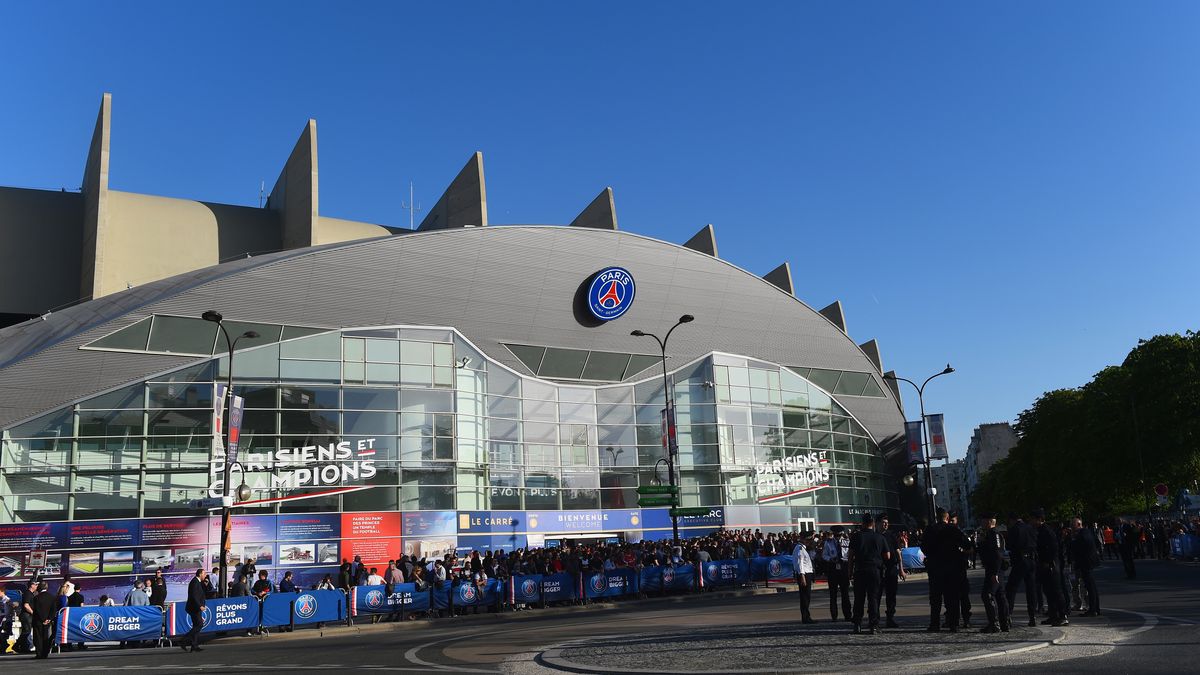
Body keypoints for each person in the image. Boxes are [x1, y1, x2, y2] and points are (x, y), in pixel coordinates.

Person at [922, 507, 967, 632]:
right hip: (952, 568)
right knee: (952, 597)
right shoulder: (953, 529)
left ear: (937, 518)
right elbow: (965, 544)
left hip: (935, 568)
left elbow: (924, 547)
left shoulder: (930, 530)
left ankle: (934, 624)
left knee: (935, 599)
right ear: (947, 518)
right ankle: (954, 624)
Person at [848, 513, 889, 634]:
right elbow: (887, 555)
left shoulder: (856, 536)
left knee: (859, 598)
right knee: (873, 598)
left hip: (860, 570)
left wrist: (849, 571)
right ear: (873, 523)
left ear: (863, 523)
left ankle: (857, 623)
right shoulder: (879, 537)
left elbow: (850, 556)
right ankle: (874, 625)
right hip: (875, 570)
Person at [1032, 509, 1068, 627]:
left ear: (1039, 519)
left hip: (1051, 565)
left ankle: (1063, 616)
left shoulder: (1047, 531)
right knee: (1048, 591)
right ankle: (1053, 615)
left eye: (1034, 519)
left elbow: (1053, 548)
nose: (1032, 521)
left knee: (1056, 591)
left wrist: (1048, 561)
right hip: (1044, 564)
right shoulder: (1040, 530)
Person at [977, 512, 1011, 633]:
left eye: (983, 520)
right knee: (1000, 595)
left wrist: (994, 572)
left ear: (989, 522)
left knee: (987, 594)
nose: (981, 523)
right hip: (995, 569)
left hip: (994, 569)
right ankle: (1004, 622)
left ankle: (994, 623)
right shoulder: (992, 534)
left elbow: (997, 554)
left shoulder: (993, 534)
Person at [1005, 512, 1039, 627]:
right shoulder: (1030, 528)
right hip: (1031, 560)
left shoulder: (1014, 529)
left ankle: (1008, 614)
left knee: (1011, 588)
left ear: (1012, 520)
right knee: (1031, 589)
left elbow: (1010, 546)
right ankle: (1032, 616)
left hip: (1020, 560)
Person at [878, 514, 905, 628]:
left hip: (891, 568)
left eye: (887, 522)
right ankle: (875, 619)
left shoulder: (891, 536)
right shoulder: (875, 536)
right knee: (876, 595)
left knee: (891, 595)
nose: (885, 525)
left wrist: (901, 569)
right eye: (883, 522)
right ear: (878, 523)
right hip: (878, 569)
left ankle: (890, 618)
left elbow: (898, 553)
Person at [1071, 517, 1101, 616]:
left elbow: (1082, 546)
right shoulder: (1086, 532)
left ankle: (1093, 609)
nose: (1072, 527)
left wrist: (1074, 541)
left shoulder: (1083, 534)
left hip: (1086, 562)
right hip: (1087, 562)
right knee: (1091, 586)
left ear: (1079, 524)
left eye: (1073, 525)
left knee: (1090, 586)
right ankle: (1095, 608)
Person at [821, 526, 852, 622]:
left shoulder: (847, 541)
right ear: (833, 535)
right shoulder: (828, 543)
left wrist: (845, 561)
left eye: (839, 535)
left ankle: (847, 615)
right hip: (833, 569)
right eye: (836, 535)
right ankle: (834, 616)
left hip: (843, 568)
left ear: (842, 534)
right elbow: (824, 555)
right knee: (833, 594)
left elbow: (850, 555)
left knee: (845, 593)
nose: (838, 537)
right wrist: (830, 559)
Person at [792, 532, 816, 624]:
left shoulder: (802, 548)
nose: (809, 542)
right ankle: (805, 617)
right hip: (804, 574)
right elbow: (800, 564)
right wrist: (802, 576)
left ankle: (806, 616)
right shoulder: (800, 549)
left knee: (806, 596)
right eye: (808, 540)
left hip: (806, 574)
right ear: (803, 539)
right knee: (805, 597)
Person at [181, 568, 207, 653]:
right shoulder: (194, 582)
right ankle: (184, 640)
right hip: (194, 608)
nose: (205, 575)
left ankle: (194, 645)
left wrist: (206, 583)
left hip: (195, 608)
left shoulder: (198, 582)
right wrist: (200, 606)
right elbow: (194, 596)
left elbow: (205, 591)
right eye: (204, 574)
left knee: (196, 625)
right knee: (199, 624)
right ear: (200, 574)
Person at [31, 581, 56, 659]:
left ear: (39, 587)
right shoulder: (51, 597)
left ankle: (39, 653)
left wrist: (42, 619)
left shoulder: (36, 598)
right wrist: (49, 618)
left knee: (38, 637)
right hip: (47, 621)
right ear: (46, 587)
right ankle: (45, 653)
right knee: (46, 637)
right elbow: (53, 609)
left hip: (38, 620)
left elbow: (37, 610)